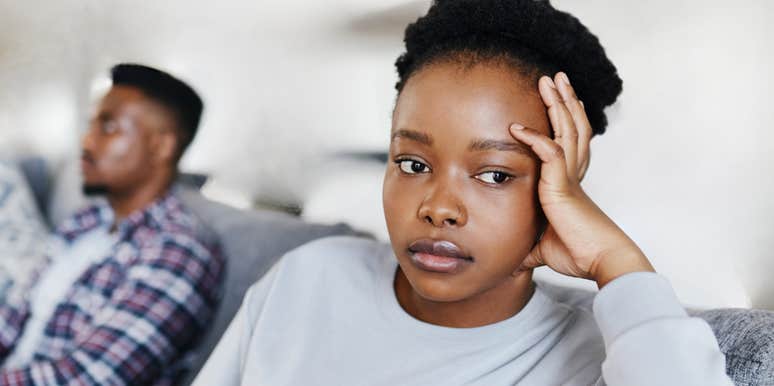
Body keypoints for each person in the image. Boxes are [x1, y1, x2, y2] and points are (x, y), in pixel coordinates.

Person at [193, 0, 732, 385]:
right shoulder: (307, 276)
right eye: (412, 162)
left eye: (495, 174)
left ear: (559, 190)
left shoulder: (595, 359)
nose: (438, 208)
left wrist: (617, 261)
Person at [0, 64, 225, 385]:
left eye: (108, 127)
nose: (87, 142)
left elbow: (89, 379)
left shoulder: (181, 249)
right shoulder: (85, 224)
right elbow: (10, 324)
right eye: (91, 125)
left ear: (161, 146)